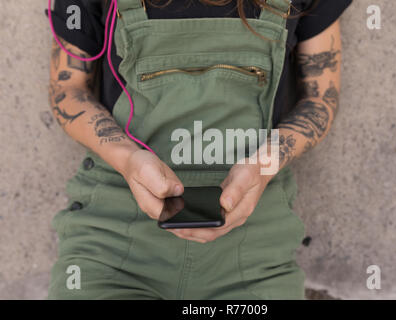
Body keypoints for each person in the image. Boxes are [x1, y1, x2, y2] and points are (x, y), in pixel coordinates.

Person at [46, 0, 352, 299]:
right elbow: (68, 89)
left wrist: (264, 166)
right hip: (113, 243)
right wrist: (129, 159)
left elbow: (320, 99)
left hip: (255, 250)